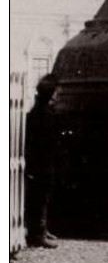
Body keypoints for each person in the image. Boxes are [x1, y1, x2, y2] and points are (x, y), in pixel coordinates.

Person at [25, 74, 59, 249]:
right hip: (42, 163)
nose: (58, 95)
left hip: (40, 162)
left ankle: (41, 229)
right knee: (40, 199)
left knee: (41, 198)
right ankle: (37, 233)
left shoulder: (37, 112)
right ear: (51, 94)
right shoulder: (45, 114)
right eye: (55, 92)